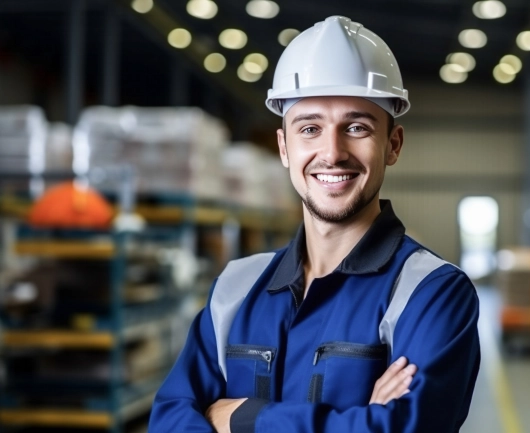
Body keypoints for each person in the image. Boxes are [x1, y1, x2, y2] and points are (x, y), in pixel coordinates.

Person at [149, 15, 480, 433]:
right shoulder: (236, 287)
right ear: (284, 147)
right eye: (310, 128)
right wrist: (360, 421)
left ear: (392, 145)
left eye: (356, 127)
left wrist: (242, 418)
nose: (332, 152)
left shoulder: (433, 293)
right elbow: (169, 419)